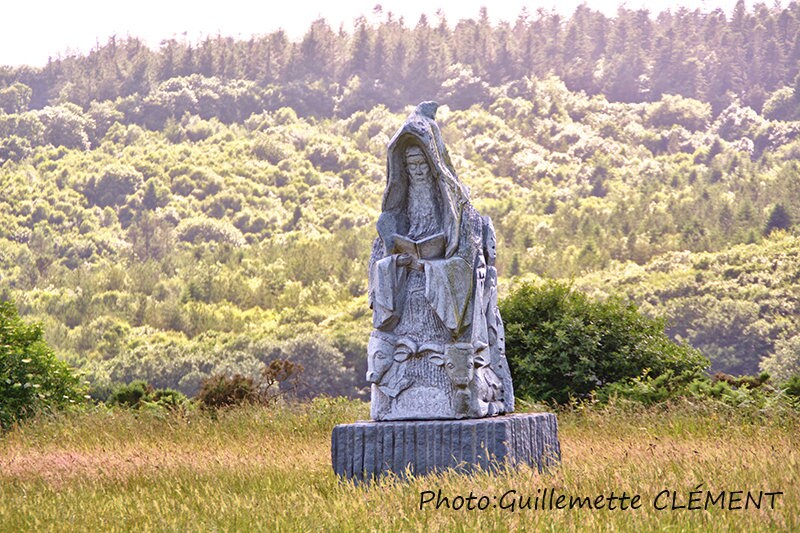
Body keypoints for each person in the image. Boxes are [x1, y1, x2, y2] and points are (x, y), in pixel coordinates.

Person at [367, 102, 512, 420]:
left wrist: (431, 268)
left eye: (422, 164)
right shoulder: (393, 216)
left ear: (433, 165)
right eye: (411, 165)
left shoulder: (461, 212)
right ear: (403, 169)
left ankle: (458, 390)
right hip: (406, 293)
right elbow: (378, 262)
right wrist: (394, 265)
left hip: (440, 295)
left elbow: (468, 264)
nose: (418, 171)